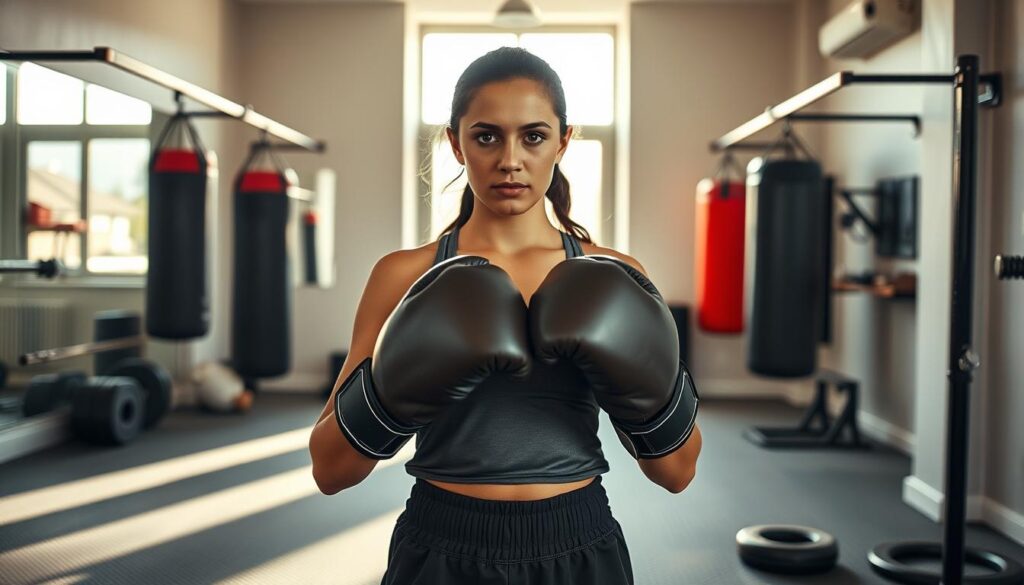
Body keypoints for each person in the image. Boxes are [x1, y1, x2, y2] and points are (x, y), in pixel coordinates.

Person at [308, 47, 702, 584]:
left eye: (533, 136)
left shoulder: (614, 274)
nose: (510, 159)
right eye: (486, 136)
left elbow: (677, 473)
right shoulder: (404, 275)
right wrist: (392, 393)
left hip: (578, 543)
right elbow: (331, 470)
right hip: (441, 543)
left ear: (564, 141)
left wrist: (641, 391)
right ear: (455, 142)